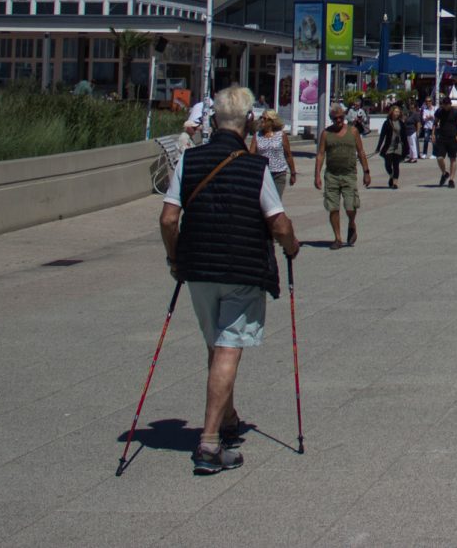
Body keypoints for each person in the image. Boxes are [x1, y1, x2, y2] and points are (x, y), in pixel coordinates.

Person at [158, 84, 300, 474]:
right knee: (228, 349)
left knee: (217, 345)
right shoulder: (256, 169)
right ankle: (208, 443)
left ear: (214, 121)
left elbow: (169, 219)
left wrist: (175, 258)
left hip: (198, 269)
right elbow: (279, 222)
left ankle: (229, 417)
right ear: (249, 121)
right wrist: (291, 246)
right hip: (241, 268)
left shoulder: (190, 161)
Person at [313, 102, 368, 247]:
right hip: (332, 175)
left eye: (340, 117)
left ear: (344, 117)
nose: (338, 120)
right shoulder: (326, 133)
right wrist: (317, 175)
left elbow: (361, 152)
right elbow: (320, 154)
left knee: (350, 207)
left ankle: (351, 224)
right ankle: (337, 238)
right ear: (331, 118)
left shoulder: (353, 131)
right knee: (333, 208)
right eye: (335, 118)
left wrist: (366, 172)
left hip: (349, 174)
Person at [251, 112, 296, 200]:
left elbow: (288, 155)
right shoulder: (257, 136)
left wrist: (293, 173)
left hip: (279, 174)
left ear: (272, 121)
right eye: (261, 118)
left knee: (276, 201)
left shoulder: (281, 135)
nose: (262, 120)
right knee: (264, 202)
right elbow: (251, 154)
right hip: (263, 174)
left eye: (265, 118)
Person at [436, 97, 457, 188]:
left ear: (450, 104)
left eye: (447, 104)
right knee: (439, 157)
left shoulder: (455, 112)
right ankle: (444, 173)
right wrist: (433, 134)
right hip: (442, 137)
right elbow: (435, 122)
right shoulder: (440, 111)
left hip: (453, 138)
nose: (446, 106)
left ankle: (451, 179)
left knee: (453, 158)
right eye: (444, 104)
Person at [374, 105, 405, 189]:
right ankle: (391, 175)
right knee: (387, 164)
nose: (397, 113)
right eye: (396, 111)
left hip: (398, 146)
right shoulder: (387, 123)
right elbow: (382, 136)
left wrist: (406, 149)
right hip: (389, 146)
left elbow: (404, 137)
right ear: (392, 112)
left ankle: (395, 183)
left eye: (398, 112)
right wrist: (378, 147)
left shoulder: (401, 123)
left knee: (396, 165)